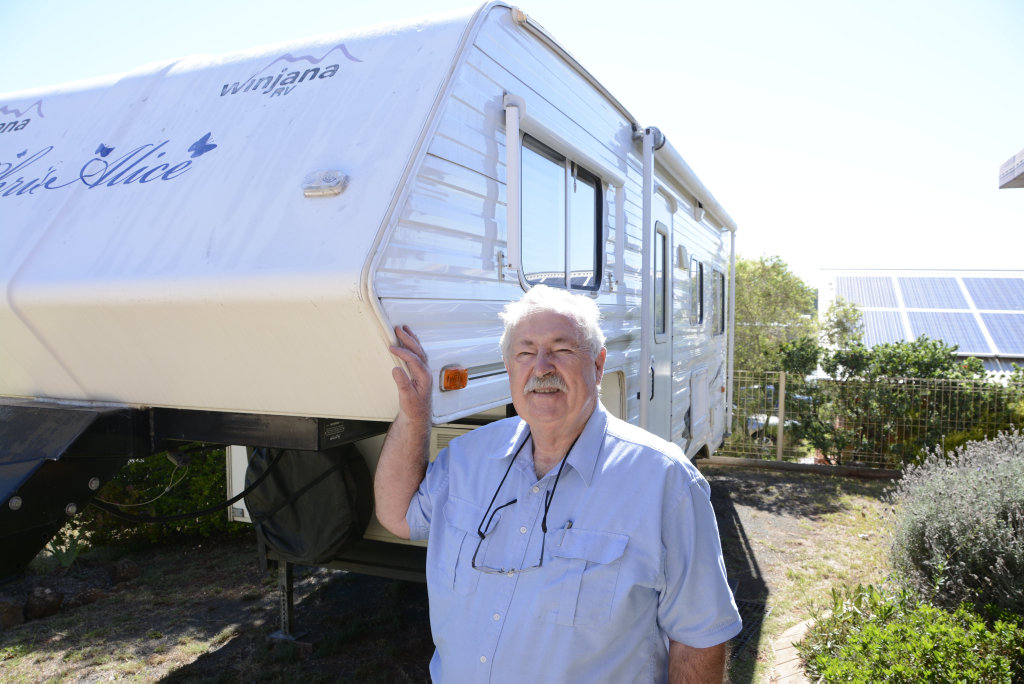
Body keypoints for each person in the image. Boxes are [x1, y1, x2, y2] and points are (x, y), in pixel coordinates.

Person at [374, 284, 742, 683]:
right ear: (509, 367)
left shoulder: (662, 479)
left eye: (562, 350)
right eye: (525, 352)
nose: (542, 367)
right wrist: (415, 414)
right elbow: (399, 516)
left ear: (598, 365)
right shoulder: (467, 458)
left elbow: (700, 636)